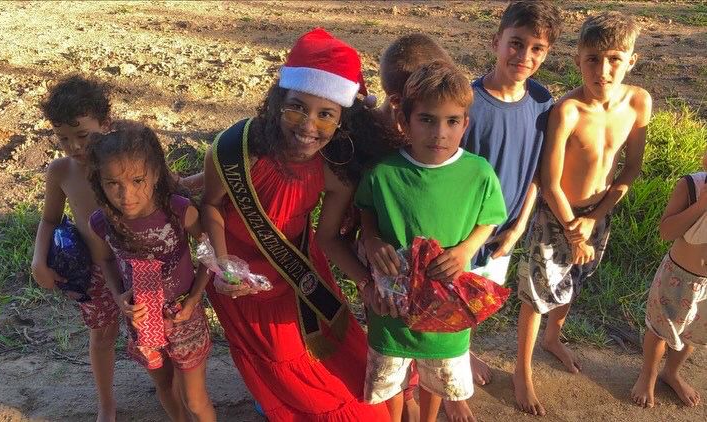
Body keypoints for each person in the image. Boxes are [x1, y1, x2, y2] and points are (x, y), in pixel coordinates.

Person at [200, 28, 392, 421]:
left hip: (295, 273)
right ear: (276, 104)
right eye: (296, 108)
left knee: (322, 369)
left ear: (342, 121)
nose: (308, 125)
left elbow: (326, 237)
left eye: (326, 114)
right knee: (275, 360)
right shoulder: (236, 150)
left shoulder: (334, 173)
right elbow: (211, 206)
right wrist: (222, 265)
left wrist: (364, 280)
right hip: (240, 279)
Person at [515, 11, 652, 416]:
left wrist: (596, 218)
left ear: (632, 60)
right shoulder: (569, 111)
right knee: (538, 292)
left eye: (614, 59)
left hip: (597, 213)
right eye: (593, 59)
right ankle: (522, 370)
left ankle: (553, 338)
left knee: (575, 278)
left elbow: (630, 168)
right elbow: (550, 180)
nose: (603, 70)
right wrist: (575, 230)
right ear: (578, 61)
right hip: (558, 214)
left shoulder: (639, 102)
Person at [356, 60, 507, 422]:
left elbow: (490, 219)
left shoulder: (478, 173)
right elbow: (366, 211)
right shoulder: (384, 172)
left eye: (452, 121)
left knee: (437, 377)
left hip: (447, 302)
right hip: (391, 306)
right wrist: (373, 240)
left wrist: (466, 250)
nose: (440, 132)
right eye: (427, 119)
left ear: (465, 124)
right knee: (390, 377)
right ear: (404, 121)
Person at [460, 0, 562, 386]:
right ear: (495, 42)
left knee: (477, 299)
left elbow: (538, 171)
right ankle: (448, 381)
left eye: (537, 48)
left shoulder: (541, 101)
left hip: (504, 231)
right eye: (516, 43)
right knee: (448, 299)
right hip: (462, 231)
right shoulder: (467, 103)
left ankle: (462, 351)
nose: (524, 55)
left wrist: (518, 228)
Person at [86, 122, 215, 422]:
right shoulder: (102, 222)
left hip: (184, 317)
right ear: (99, 182)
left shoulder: (180, 211)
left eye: (137, 180)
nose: (126, 194)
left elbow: (208, 254)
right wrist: (119, 297)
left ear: (156, 174)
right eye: (112, 183)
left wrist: (194, 299)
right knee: (165, 387)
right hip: (142, 322)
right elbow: (105, 260)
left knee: (195, 400)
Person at [30, 75, 119, 422]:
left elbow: (169, 189)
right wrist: (39, 260)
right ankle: (106, 405)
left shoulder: (127, 161)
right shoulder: (61, 171)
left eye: (82, 135)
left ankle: (172, 391)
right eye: (63, 138)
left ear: (106, 124)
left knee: (157, 334)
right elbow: (49, 220)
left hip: (138, 266)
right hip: (96, 272)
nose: (74, 146)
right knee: (102, 336)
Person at [631, 147, 707, 408]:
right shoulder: (692, 185)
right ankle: (648, 373)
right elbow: (666, 231)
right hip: (679, 277)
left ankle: (671, 372)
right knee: (660, 329)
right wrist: (701, 205)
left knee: (693, 334)